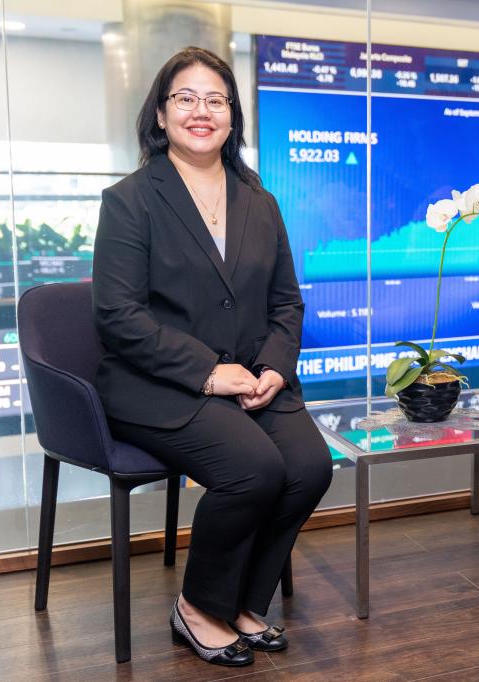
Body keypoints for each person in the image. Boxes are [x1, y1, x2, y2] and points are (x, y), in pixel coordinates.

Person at [92, 46, 332, 666]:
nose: (201, 111)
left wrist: (275, 366)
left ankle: (244, 602)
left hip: (253, 377)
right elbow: (118, 315)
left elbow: (287, 301)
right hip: (160, 382)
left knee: (309, 467)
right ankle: (198, 607)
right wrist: (206, 373)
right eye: (186, 98)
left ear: (232, 117)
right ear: (160, 114)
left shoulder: (260, 201)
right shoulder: (130, 200)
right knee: (255, 468)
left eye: (216, 100)